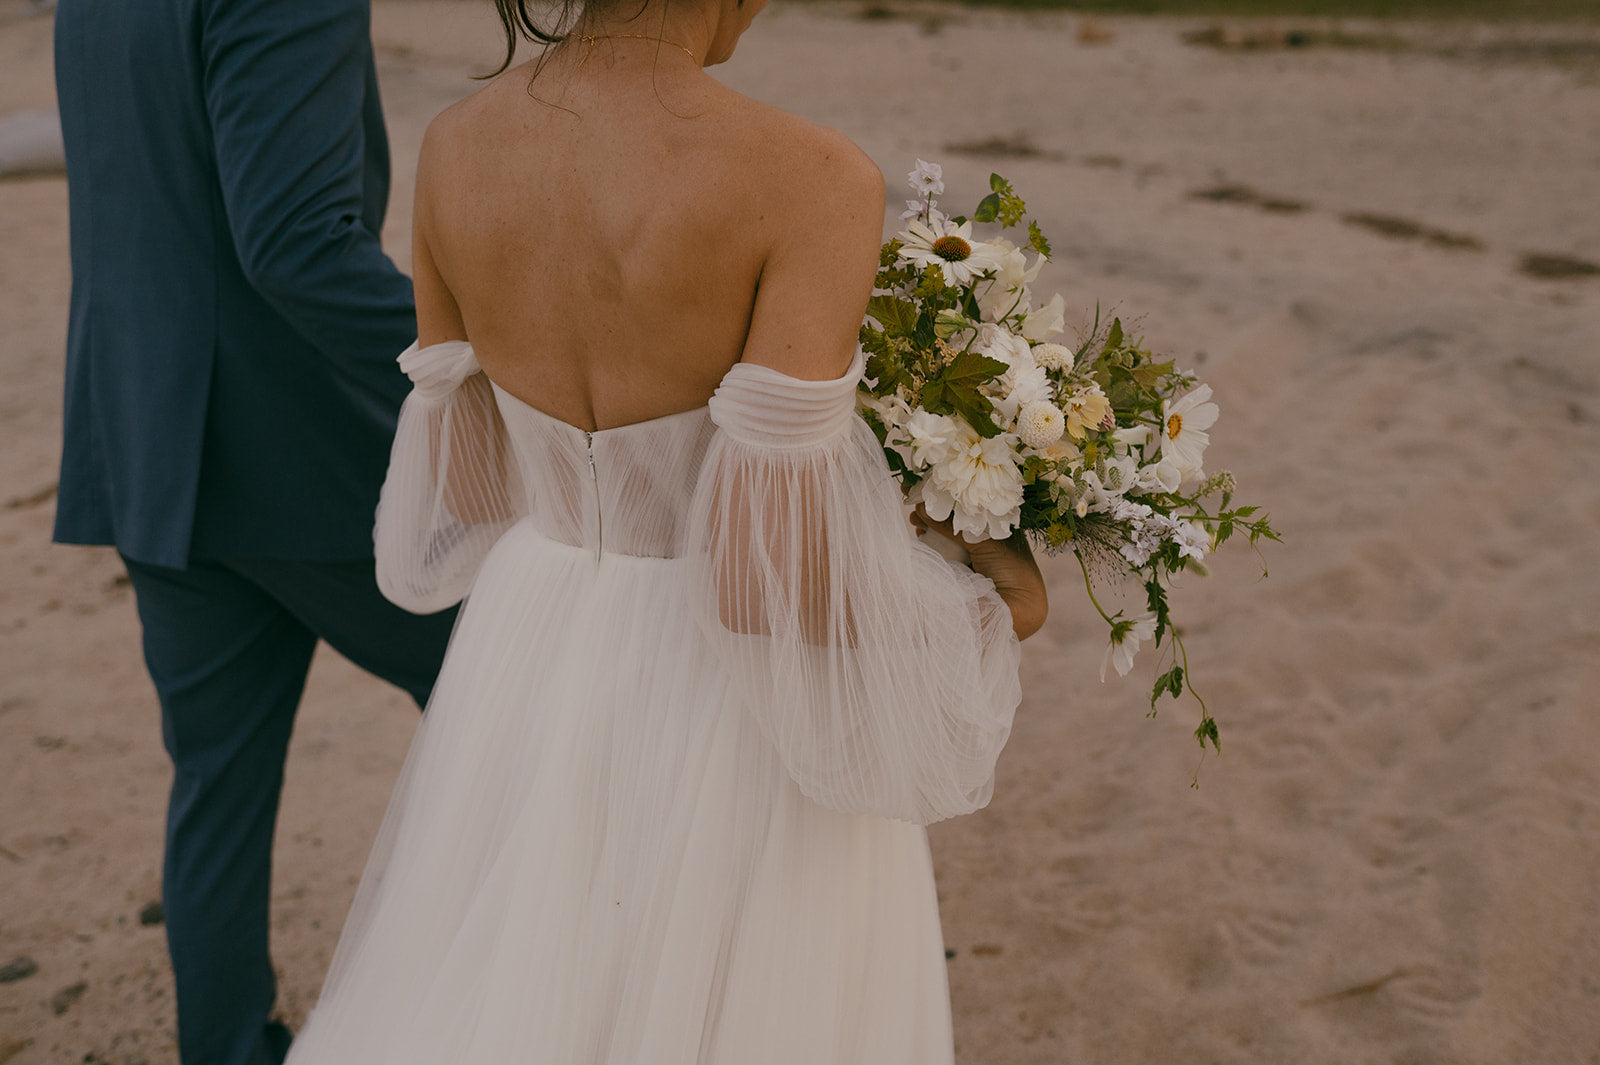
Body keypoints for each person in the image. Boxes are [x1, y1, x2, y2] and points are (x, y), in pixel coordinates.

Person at [283, 0, 1048, 1059]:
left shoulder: (455, 145)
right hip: (716, 691)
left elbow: (465, 479)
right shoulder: (812, 179)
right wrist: (995, 593)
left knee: (513, 980)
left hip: (531, 636)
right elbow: (757, 579)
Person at [52, 2, 459, 1063]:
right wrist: (484, 373)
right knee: (499, 689)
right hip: (294, 447)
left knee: (216, 787)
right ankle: (484, 1012)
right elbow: (297, 246)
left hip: (143, 428)